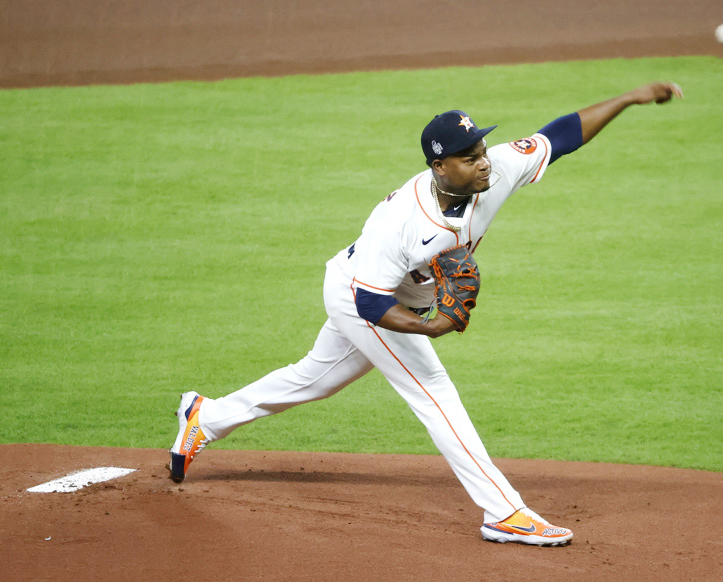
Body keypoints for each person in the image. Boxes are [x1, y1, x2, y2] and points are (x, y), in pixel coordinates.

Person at [168, 81, 683, 546]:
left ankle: (205, 418)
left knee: (315, 378)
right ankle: (503, 512)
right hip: (362, 296)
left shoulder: (495, 168)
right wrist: (431, 327)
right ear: (440, 167)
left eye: (481, 149)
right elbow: (370, 304)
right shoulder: (402, 222)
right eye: (468, 157)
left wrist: (628, 98)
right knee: (433, 390)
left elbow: (562, 135)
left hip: (387, 294)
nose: (483, 162)